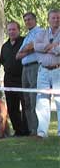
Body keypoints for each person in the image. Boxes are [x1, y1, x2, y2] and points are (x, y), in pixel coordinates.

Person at [33, 8, 60, 138]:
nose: (56, 20)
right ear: (48, 19)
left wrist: (49, 49)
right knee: (42, 100)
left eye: (58, 18)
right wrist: (53, 46)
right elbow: (36, 47)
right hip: (43, 70)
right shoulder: (41, 34)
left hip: (58, 70)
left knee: (59, 100)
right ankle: (42, 132)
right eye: (53, 18)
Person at [16, 12, 44, 136]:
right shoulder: (27, 36)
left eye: (29, 19)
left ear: (35, 20)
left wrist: (28, 49)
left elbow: (33, 47)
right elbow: (18, 55)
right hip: (24, 68)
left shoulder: (40, 32)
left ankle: (37, 129)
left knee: (34, 99)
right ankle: (31, 129)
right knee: (26, 100)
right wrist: (27, 49)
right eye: (25, 20)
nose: (27, 22)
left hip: (34, 66)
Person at [0, 21, 27, 136]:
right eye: (9, 30)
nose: (11, 32)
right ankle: (18, 130)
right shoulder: (5, 46)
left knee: (26, 105)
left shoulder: (24, 41)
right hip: (9, 79)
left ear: (19, 30)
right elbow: (2, 62)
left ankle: (26, 130)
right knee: (12, 106)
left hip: (22, 78)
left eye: (14, 29)